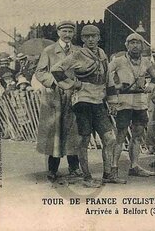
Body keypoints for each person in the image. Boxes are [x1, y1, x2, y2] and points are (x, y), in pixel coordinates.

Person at [51, 25, 125, 187]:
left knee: (110, 138)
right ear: (82, 39)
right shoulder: (77, 54)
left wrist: (112, 101)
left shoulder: (102, 54)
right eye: (87, 37)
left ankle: (108, 174)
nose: (91, 39)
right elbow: (56, 70)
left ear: (99, 37)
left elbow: (109, 80)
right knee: (84, 140)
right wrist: (73, 84)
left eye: (94, 36)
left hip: (99, 102)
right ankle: (87, 178)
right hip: (82, 102)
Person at [35, 20, 81, 183]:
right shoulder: (49, 51)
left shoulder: (78, 51)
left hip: (73, 96)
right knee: (55, 132)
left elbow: (82, 71)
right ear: (58, 33)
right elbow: (40, 72)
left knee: (73, 131)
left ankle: (74, 167)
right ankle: (52, 169)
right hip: (55, 97)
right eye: (64, 31)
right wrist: (55, 82)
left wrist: (78, 83)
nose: (67, 35)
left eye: (70, 32)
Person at [107, 33, 155, 178]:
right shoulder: (118, 61)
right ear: (126, 45)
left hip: (140, 102)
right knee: (120, 136)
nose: (135, 45)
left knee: (137, 135)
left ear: (142, 46)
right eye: (131, 42)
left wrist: (152, 85)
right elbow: (105, 73)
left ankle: (134, 166)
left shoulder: (147, 61)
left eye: (138, 43)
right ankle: (113, 168)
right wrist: (115, 86)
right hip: (123, 102)